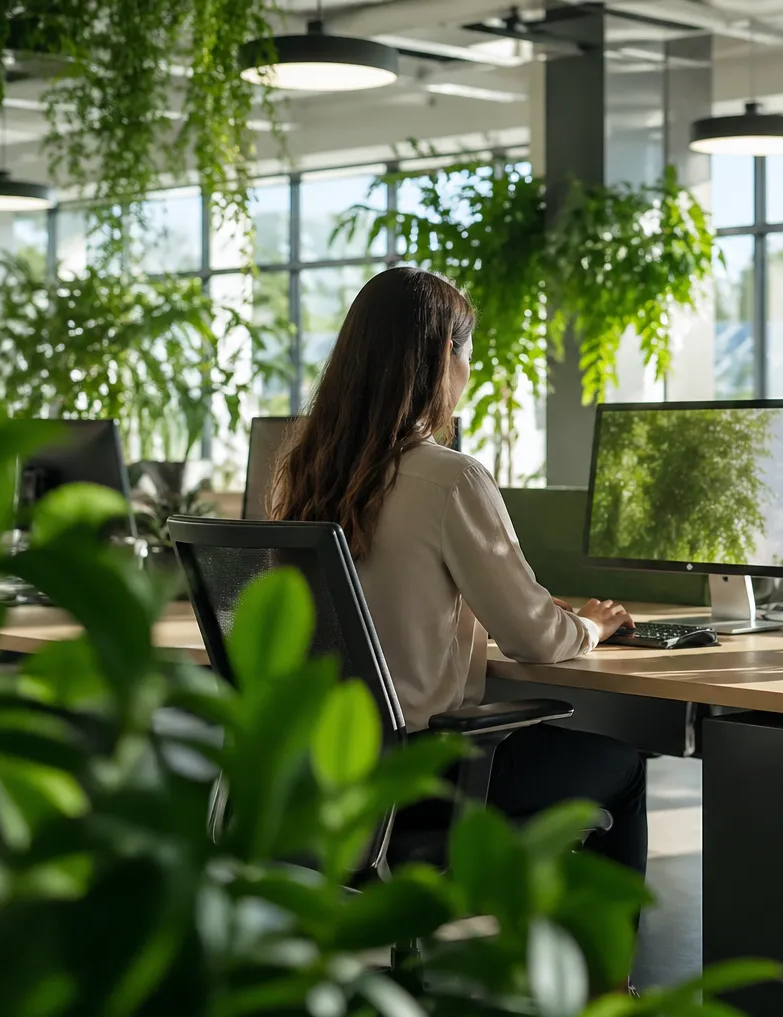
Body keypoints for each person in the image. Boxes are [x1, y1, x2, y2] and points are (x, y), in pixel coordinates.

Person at [270, 265, 646, 877]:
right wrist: (590, 627)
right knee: (623, 767)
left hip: (320, 766)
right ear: (447, 354)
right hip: (421, 773)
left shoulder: (304, 474)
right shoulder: (448, 478)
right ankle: (603, 978)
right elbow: (535, 638)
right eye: (469, 354)